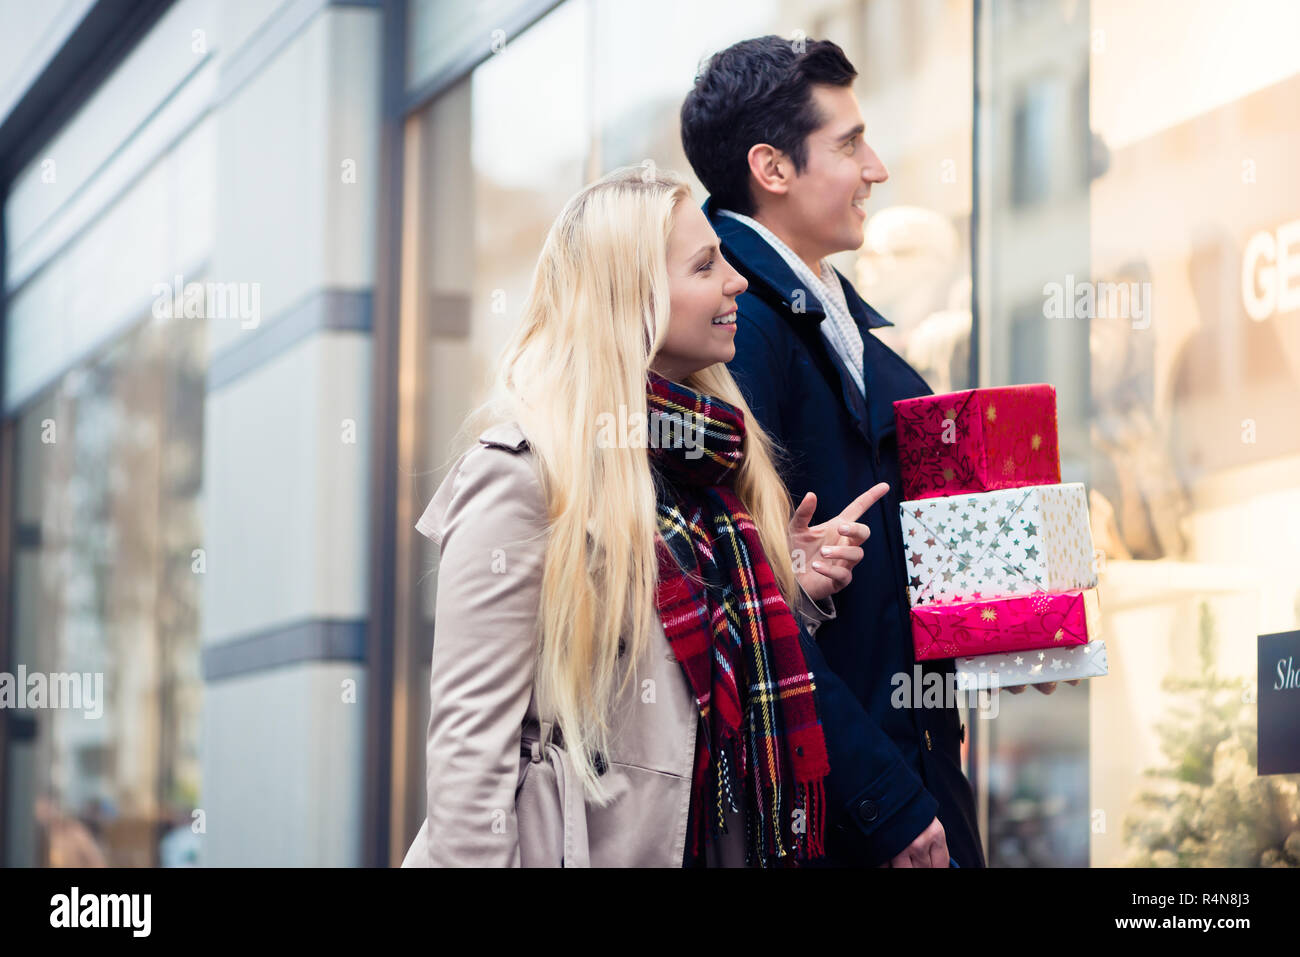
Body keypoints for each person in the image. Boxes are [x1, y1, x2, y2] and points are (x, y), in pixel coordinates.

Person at [401, 165, 892, 867]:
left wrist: (790, 596)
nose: (738, 282)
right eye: (705, 265)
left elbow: (698, 698)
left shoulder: (704, 475)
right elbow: (467, 771)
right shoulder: (520, 477)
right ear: (630, 298)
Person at [678, 34, 1062, 868]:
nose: (876, 168)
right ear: (772, 169)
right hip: (844, 812)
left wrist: (1019, 625)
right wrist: (884, 804)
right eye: (850, 144)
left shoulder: (852, 329)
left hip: (908, 786)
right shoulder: (734, 331)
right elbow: (749, 605)